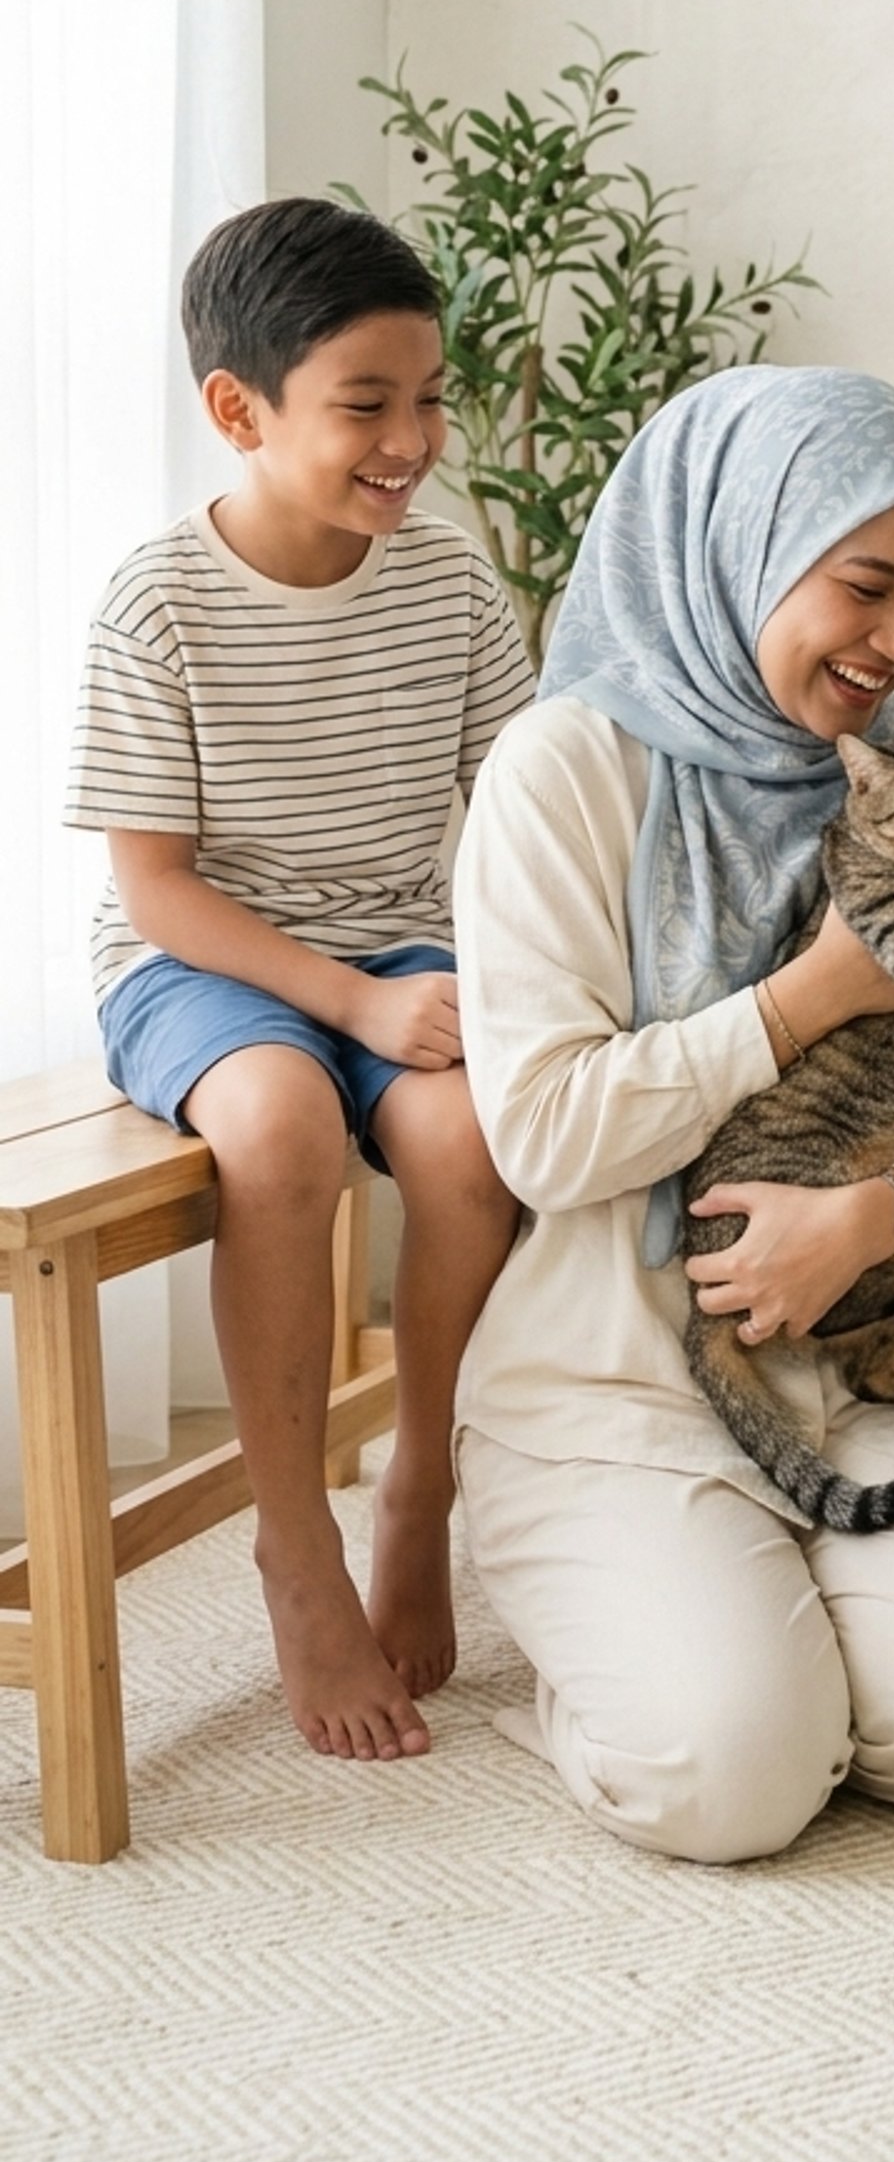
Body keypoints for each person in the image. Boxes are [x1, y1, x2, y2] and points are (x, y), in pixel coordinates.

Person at [450, 364, 894, 1864]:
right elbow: (542, 1136)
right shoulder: (564, 773)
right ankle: (632, 1642)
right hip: (618, 1385)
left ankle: (767, 1613)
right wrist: (809, 997)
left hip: (876, 1359)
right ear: (736, 541)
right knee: (731, 1778)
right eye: (867, 585)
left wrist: (878, 1218)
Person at [66, 200, 530, 1764]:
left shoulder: (454, 587)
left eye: (429, 400)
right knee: (282, 1134)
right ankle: (294, 1546)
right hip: (204, 959)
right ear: (238, 409)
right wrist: (349, 1004)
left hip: (404, 936)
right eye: (367, 406)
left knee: (473, 1143)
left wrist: (470, 985)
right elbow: (156, 886)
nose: (414, 440)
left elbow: (523, 820)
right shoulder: (159, 600)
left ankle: (420, 1480)